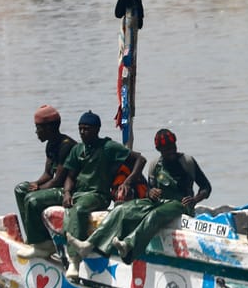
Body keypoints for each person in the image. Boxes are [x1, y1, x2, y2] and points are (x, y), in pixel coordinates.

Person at [68, 128, 211, 265]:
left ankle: (129, 246)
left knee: (155, 215)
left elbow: (206, 188)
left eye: (172, 147)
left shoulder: (187, 162)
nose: (171, 151)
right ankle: (89, 244)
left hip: (180, 205)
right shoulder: (155, 165)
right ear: (159, 150)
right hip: (160, 202)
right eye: (166, 149)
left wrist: (195, 199)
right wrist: (151, 193)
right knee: (121, 210)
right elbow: (149, 191)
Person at [61, 110, 146, 279]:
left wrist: (128, 181)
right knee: (36, 199)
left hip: (96, 194)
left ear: (97, 129)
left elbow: (140, 160)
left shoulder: (107, 147)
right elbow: (70, 176)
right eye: (80, 129)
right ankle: (40, 243)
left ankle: (74, 260)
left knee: (78, 210)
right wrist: (67, 192)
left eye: (87, 129)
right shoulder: (78, 149)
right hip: (77, 192)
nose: (83, 132)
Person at [15, 105, 76, 258]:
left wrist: (39, 190)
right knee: (21, 189)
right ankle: (33, 237)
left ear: (49, 128)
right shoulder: (51, 144)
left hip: (68, 189)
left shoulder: (66, 145)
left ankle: (44, 244)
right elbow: (48, 174)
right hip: (55, 185)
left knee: (33, 200)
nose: (36, 132)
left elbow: (58, 180)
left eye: (38, 128)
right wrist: (36, 184)